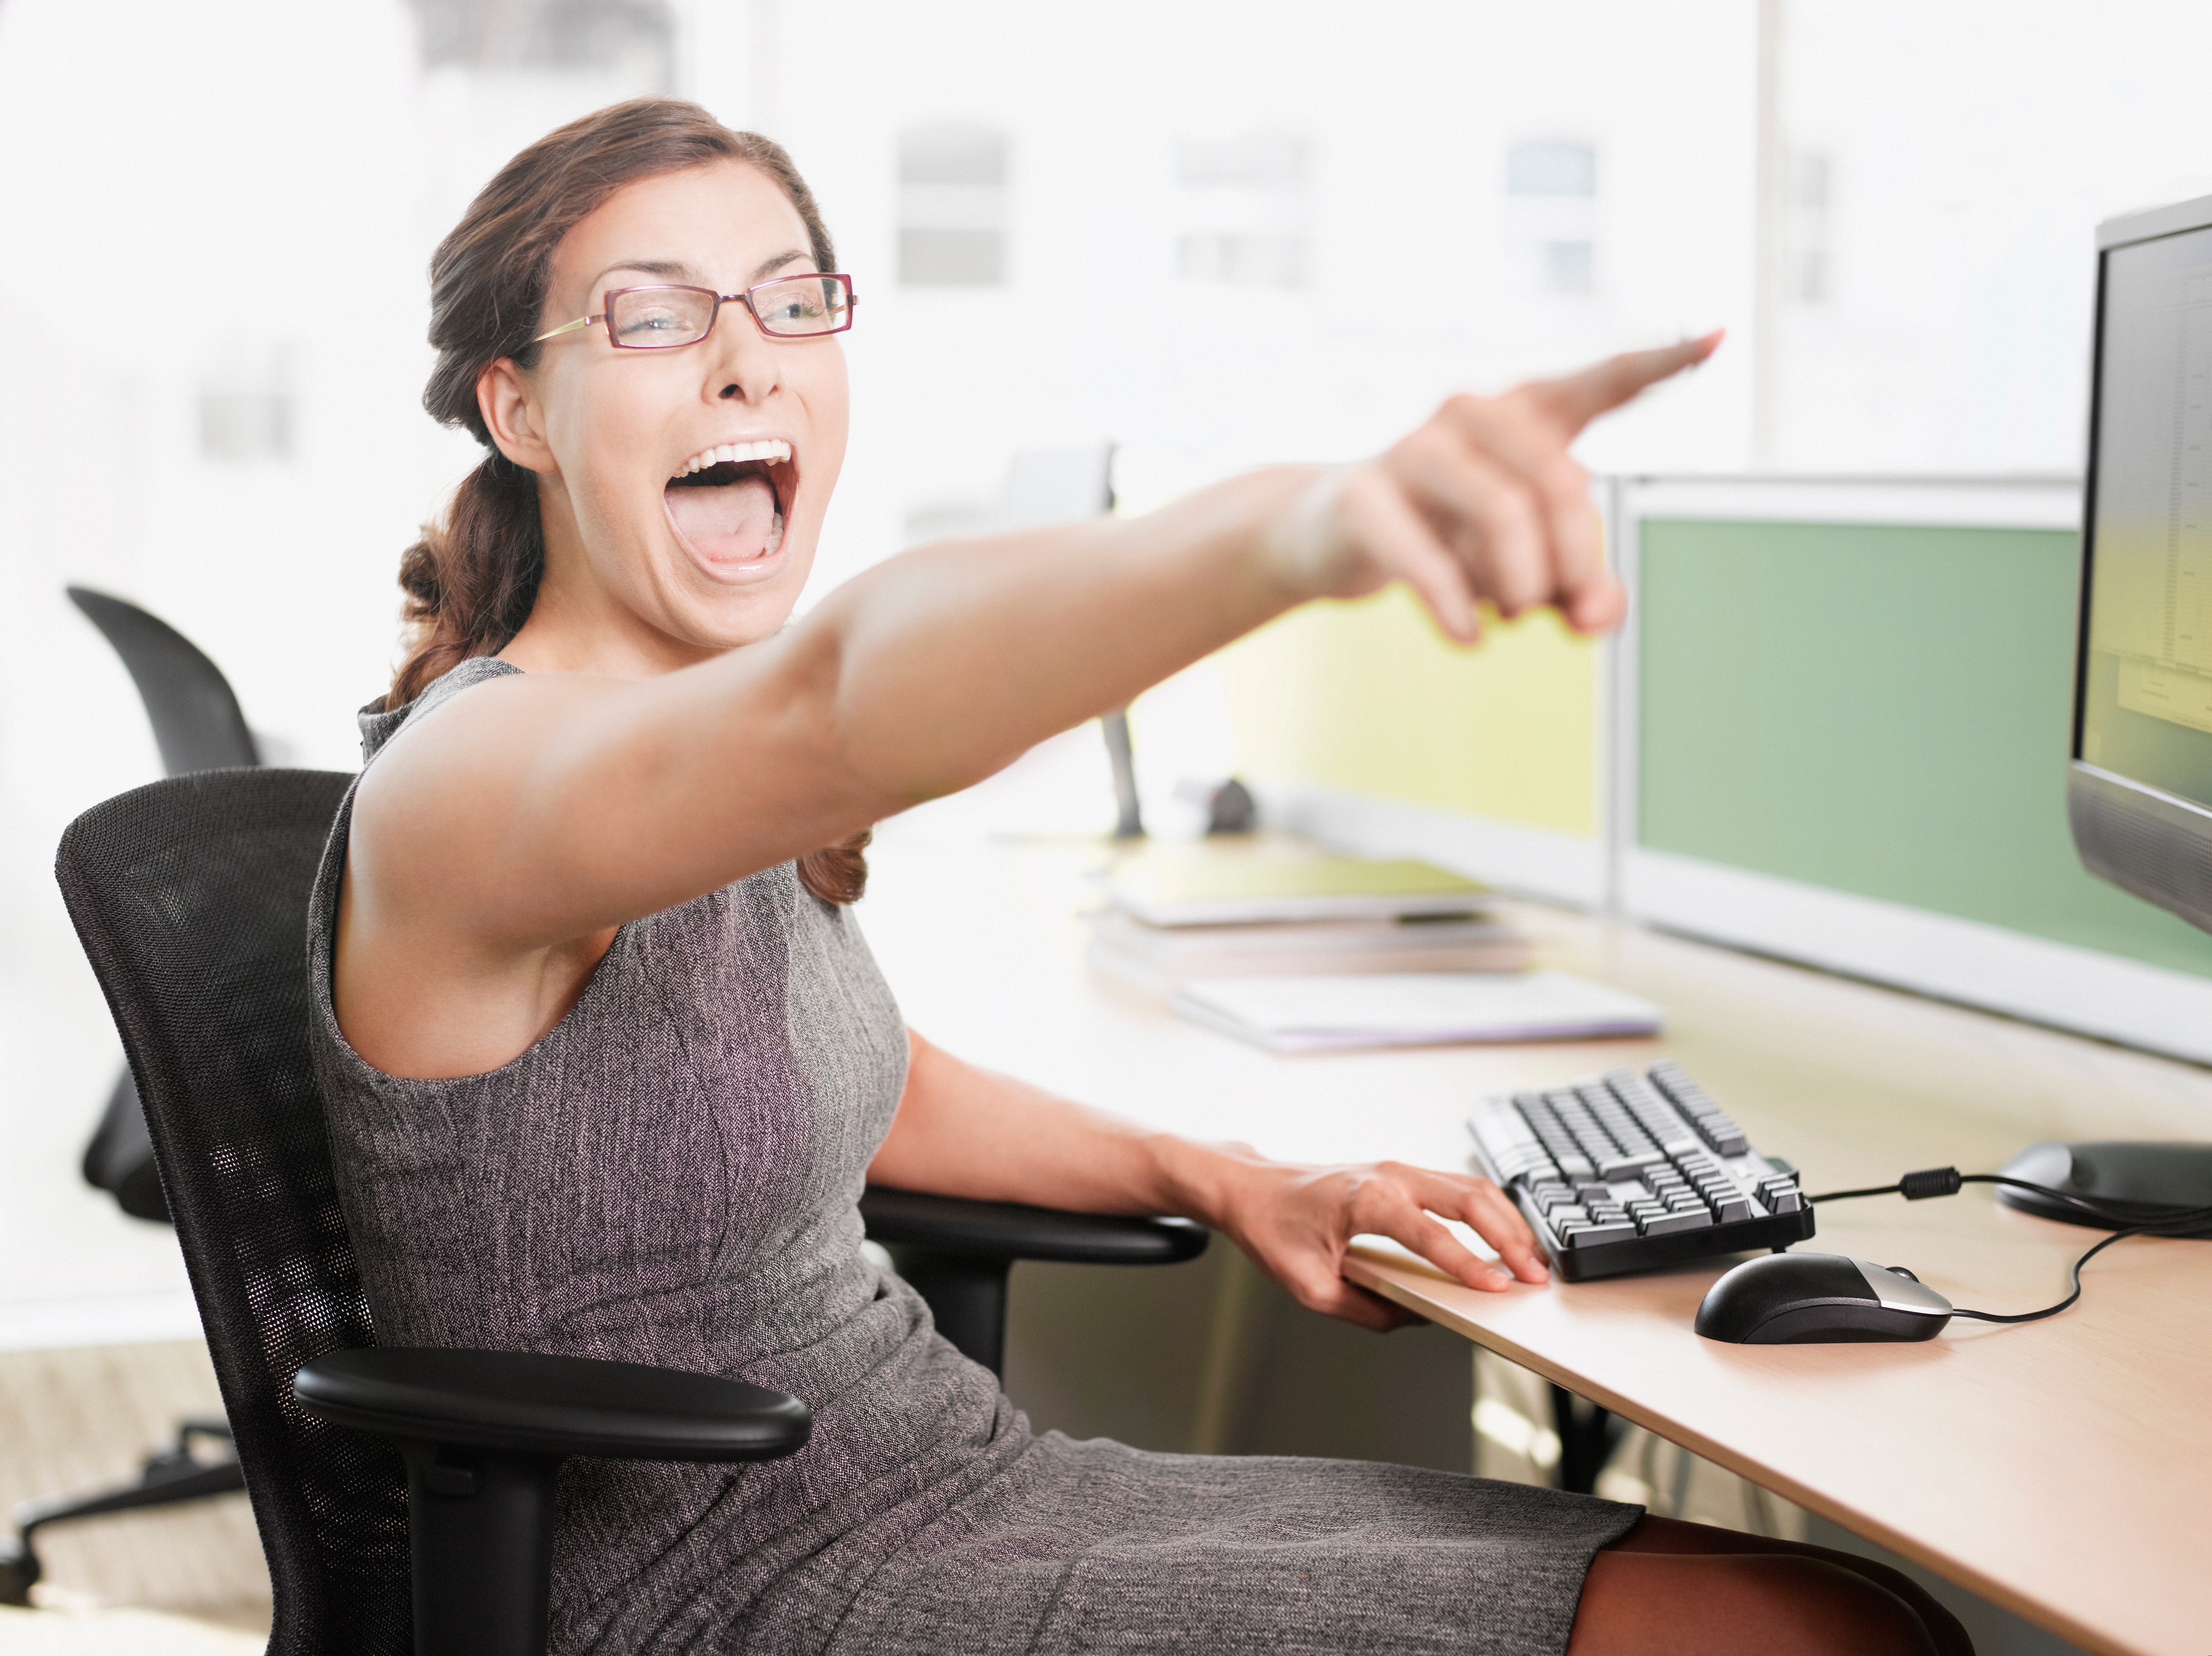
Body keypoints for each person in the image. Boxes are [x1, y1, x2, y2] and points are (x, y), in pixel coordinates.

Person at [308, 97, 1972, 1656]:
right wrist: (1305, 530)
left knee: (1814, 1598)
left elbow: (852, 1085)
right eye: (655, 317)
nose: (747, 367)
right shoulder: (476, 781)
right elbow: (842, 696)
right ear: (515, 407)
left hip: (953, 1477)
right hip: (727, 1589)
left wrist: (1233, 1172)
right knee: (1810, 1640)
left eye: (788, 301)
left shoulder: (669, 743)